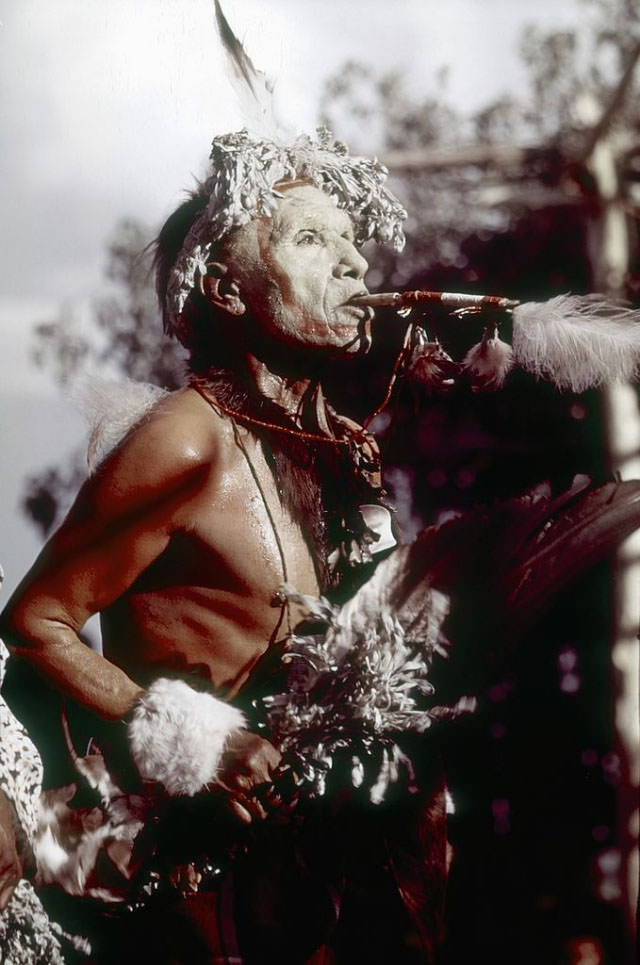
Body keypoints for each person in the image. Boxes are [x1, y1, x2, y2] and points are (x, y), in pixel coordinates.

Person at [1, 129, 431, 963]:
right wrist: (196, 739)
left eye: (351, 241)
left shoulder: (333, 456)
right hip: (189, 898)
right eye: (312, 239)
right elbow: (35, 620)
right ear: (230, 291)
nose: (354, 266)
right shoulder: (187, 439)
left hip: (306, 893)